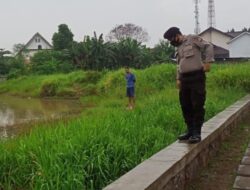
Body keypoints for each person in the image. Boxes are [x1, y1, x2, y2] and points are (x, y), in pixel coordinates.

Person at [163, 27, 214, 143]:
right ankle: (190, 130)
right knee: (185, 105)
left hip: (197, 77)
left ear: (177, 35)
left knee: (197, 104)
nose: (171, 42)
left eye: (171, 39)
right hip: (184, 79)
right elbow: (179, 64)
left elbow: (209, 46)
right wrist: (178, 78)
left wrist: (207, 62)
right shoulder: (178, 48)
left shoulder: (192, 39)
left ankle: (197, 133)